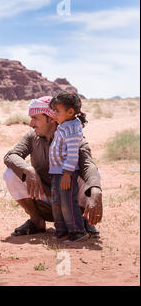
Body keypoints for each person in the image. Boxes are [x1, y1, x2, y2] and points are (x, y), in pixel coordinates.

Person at [3, 96, 103, 237]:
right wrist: (28, 169)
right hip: (44, 195)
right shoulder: (32, 136)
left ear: (51, 118)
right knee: (10, 174)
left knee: (95, 177)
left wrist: (96, 192)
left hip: (69, 195)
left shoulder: (72, 135)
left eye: (35, 118)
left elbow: (88, 165)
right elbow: (10, 156)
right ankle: (36, 221)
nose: (31, 124)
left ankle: (82, 221)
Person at [49, 91, 89, 242]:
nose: (54, 114)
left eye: (57, 111)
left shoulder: (71, 129)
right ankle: (62, 230)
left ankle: (78, 231)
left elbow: (73, 154)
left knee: (67, 202)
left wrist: (66, 173)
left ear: (70, 112)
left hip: (65, 173)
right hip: (57, 171)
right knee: (57, 202)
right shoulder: (65, 125)